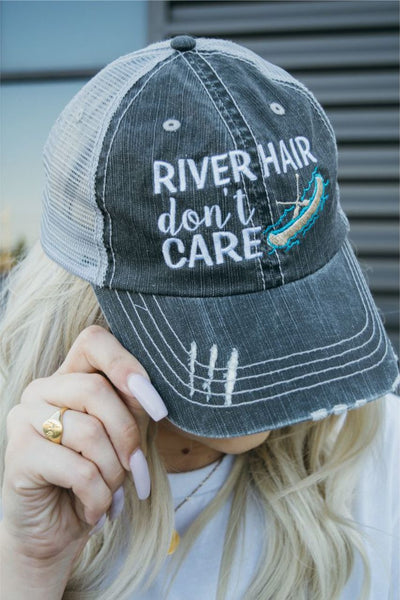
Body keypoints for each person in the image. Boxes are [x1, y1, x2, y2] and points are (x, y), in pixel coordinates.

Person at [0, 35, 399, 600]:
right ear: (85, 289)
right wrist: (25, 562)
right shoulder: (16, 485)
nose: (276, 357)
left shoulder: (382, 454)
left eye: (293, 306)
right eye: (225, 317)